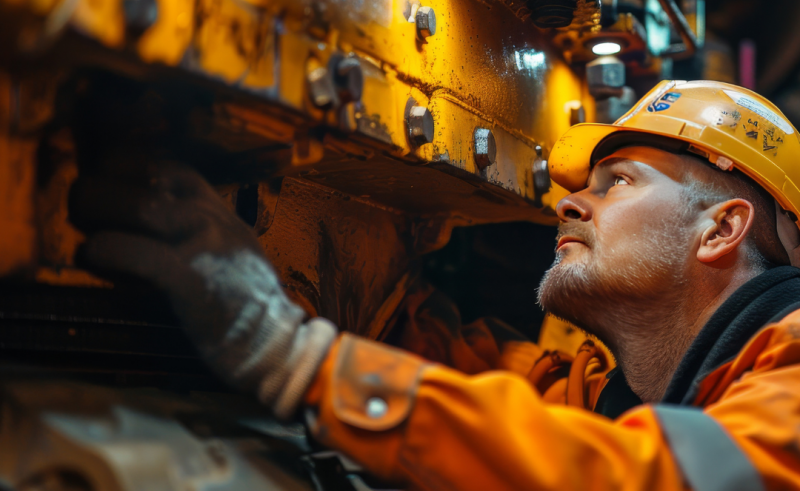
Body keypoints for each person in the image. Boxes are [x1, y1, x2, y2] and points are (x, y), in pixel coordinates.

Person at [69, 81, 800, 491]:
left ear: (720, 229)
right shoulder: (602, 394)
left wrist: (295, 356)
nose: (571, 203)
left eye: (618, 183)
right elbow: (468, 385)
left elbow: (653, 478)